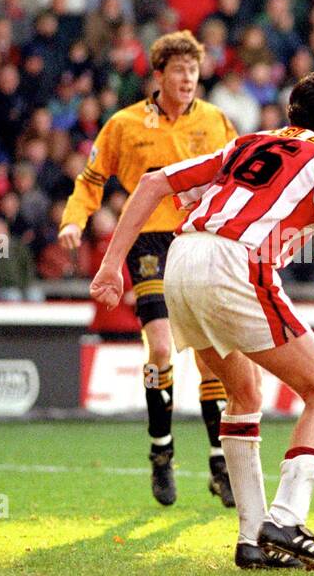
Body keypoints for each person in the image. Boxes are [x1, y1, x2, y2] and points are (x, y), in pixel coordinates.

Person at [90, 70, 314, 572]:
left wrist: (112, 264)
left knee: (244, 394)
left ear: (290, 115)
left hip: (182, 258)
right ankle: (287, 517)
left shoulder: (248, 143)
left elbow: (154, 182)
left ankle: (251, 537)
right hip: (237, 263)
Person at [59, 30, 239, 508]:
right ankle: (162, 451)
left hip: (200, 240)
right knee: (160, 347)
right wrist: (75, 220)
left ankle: (220, 461)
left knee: (209, 353)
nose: (188, 79)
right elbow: (92, 177)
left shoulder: (218, 122)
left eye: (194, 72)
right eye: (179, 71)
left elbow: (239, 180)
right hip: (149, 242)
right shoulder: (124, 124)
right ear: (158, 75)